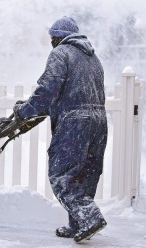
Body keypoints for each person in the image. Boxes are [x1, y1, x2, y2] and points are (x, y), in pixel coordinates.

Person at [13, 16, 108, 242]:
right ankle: (78, 225)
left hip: (75, 122)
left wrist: (24, 111)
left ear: (58, 37)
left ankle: (89, 217)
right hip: (99, 122)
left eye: (52, 37)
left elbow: (47, 89)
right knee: (85, 174)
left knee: (61, 175)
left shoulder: (61, 53)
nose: (51, 42)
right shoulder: (93, 58)